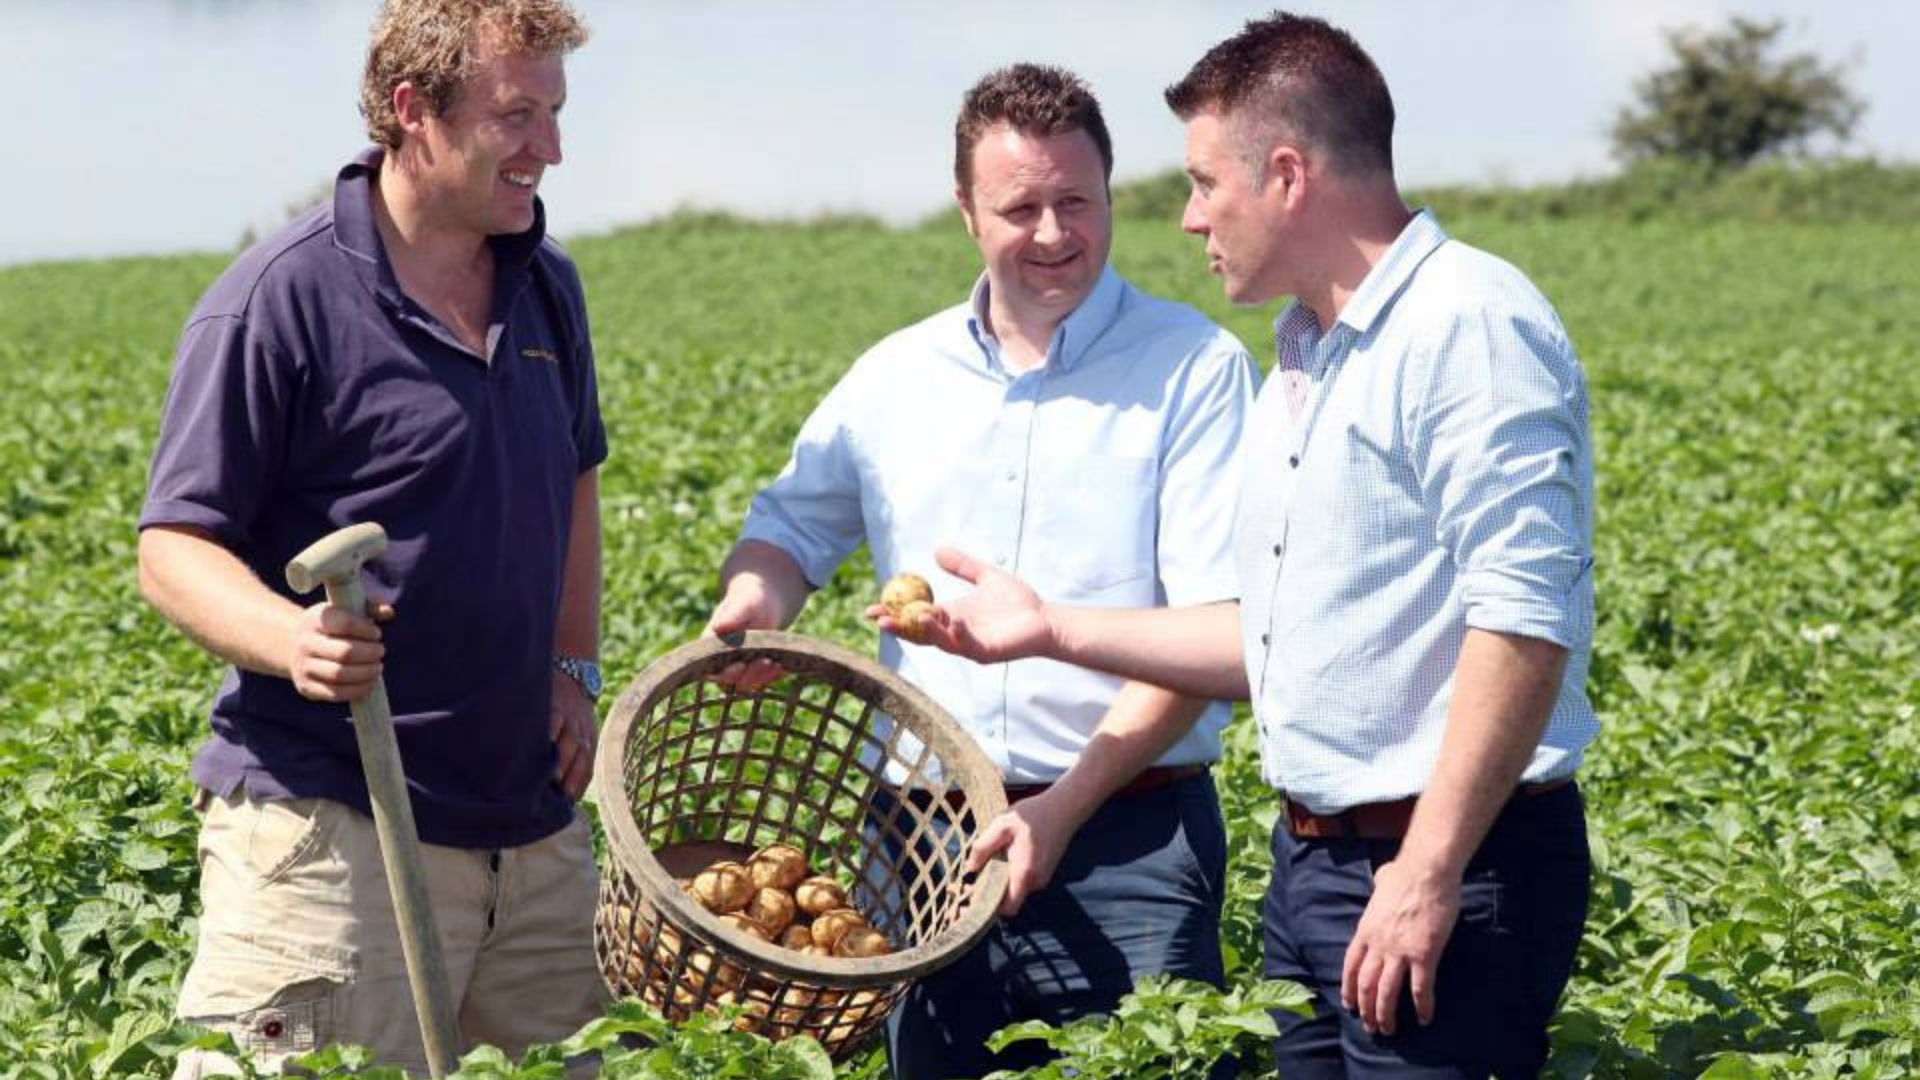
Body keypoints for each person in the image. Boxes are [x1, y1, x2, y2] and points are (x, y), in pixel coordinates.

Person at [888, 13, 1599, 1079]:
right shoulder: (1305, 360)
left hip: (1443, 866)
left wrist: (1428, 866)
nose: (1186, 217)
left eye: (1204, 182)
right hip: (1315, 868)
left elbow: (1525, 619)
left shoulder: (1466, 324)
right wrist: (1050, 630)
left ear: (1286, 175)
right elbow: (1260, 641)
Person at [706, 64, 1258, 1080]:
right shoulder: (895, 378)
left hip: (1128, 835)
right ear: (965, 211)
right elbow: (788, 528)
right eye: (1020, 207)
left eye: (1076, 202)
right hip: (926, 847)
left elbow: (1211, 624)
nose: (1053, 234)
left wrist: (1066, 804)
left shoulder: (1194, 368)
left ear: (1110, 193)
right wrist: (753, 603)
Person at [137, 1, 606, 1074]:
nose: (551, 147)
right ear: (414, 112)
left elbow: (575, 478)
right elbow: (173, 548)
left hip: (527, 842)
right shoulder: (277, 300)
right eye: (518, 114)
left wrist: (571, 667)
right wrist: (290, 638)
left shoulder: (547, 289)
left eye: (556, 112)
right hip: (332, 835)